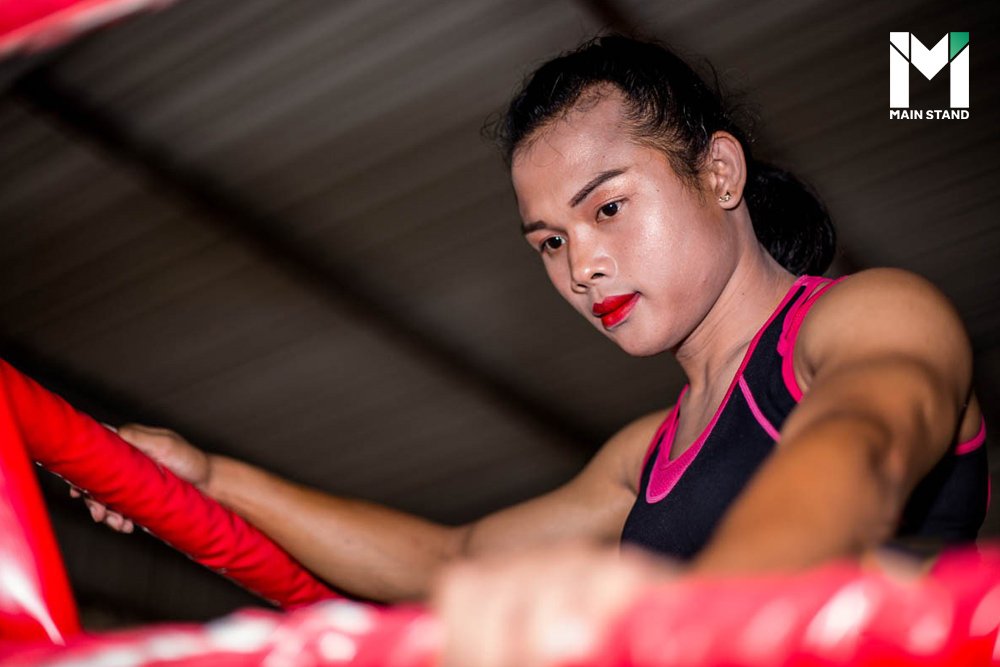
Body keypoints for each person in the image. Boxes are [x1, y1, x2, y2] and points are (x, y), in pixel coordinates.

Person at [78, 35, 988, 666]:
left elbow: (857, 448)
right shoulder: (647, 454)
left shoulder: (867, 316)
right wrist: (203, 477)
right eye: (549, 241)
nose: (583, 266)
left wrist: (678, 619)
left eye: (607, 207)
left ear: (718, 173)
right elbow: (456, 556)